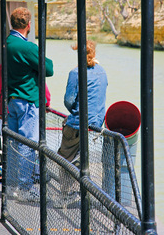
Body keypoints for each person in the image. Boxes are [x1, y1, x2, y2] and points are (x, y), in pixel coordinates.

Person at [6, 7, 53, 201]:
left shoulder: (8, 42)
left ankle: (10, 186)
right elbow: (48, 68)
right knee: (28, 145)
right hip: (27, 103)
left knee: (13, 144)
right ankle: (25, 189)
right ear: (28, 25)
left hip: (13, 101)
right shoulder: (27, 47)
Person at [55, 40, 108, 208]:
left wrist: (73, 113)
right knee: (81, 158)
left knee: (63, 159)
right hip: (95, 125)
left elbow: (69, 101)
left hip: (78, 124)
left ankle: (66, 194)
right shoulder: (102, 72)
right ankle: (82, 189)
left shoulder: (76, 72)